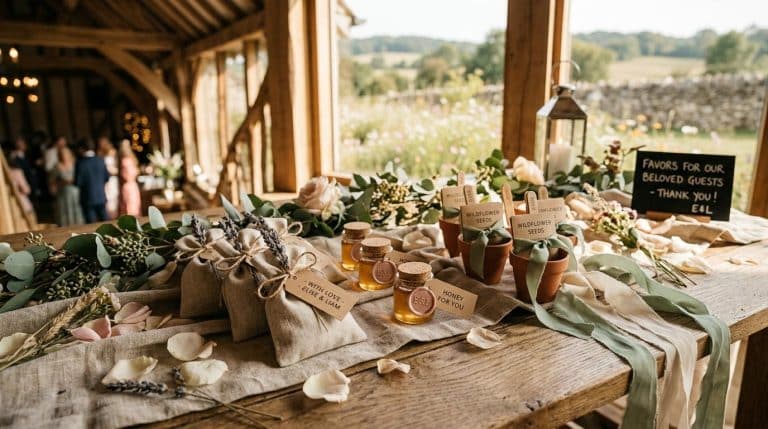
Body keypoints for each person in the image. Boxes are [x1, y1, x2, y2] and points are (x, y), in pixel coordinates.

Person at [74, 138, 110, 223]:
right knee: (106, 223)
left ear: (81, 148)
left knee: (91, 226)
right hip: (101, 196)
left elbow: (78, 182)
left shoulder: (80, 163)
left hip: (87, 199)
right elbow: (107, 177)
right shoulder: (100, 160)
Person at [53, 145, 84, 226]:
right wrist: (62, 182)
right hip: (63, 193)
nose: (64, 155)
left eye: (66, 153)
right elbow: (52, 181)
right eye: (62, 154)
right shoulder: (57, 166)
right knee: (65, 211)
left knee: (76, 210)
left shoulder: (75, 163)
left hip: (75, 191)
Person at [118, 139, 142, 216]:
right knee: (132, 207)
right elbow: (135, 172)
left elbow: (127, 175)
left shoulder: (125, 160)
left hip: (129, 186)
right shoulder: (130, 159)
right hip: (132, 186)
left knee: (131, 208)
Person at [98, 137, 119, 219]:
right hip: (105, 180)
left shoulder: (113, 152)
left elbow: (118, 168)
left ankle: (115, 216)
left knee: (114, 198)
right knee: (108, 199)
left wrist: (111, 170)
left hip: (113, 179)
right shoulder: (100, 154)